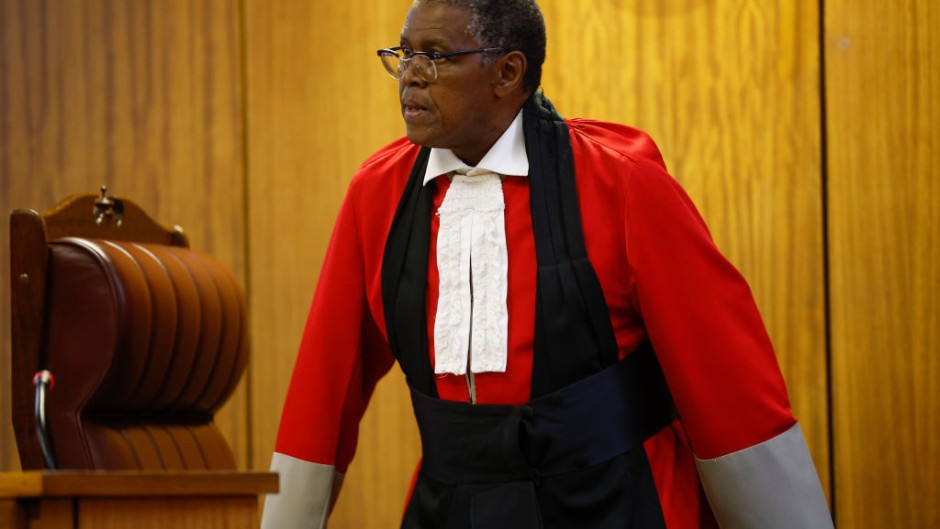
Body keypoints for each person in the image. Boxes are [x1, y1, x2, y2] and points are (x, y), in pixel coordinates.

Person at [261, 1, 834, 528]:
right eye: (404, 54)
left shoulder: (622, 183)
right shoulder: (376, 194)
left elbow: (726, 383)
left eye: (434, 56)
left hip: (618, 500)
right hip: (450, 508)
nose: (410, 74)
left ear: (507, 73)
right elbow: (323, 387)